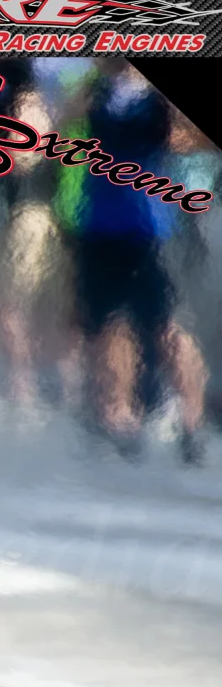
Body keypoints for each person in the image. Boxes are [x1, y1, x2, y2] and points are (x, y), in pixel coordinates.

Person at [67, 59, 208, 464]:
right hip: (100, 221)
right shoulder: (97, 91)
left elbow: (191, 139)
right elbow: (61, 124)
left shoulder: (154, 99)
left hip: (151, 226)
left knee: (166, 324)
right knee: (109, 321)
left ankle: (191, 421)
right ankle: (120, 418)